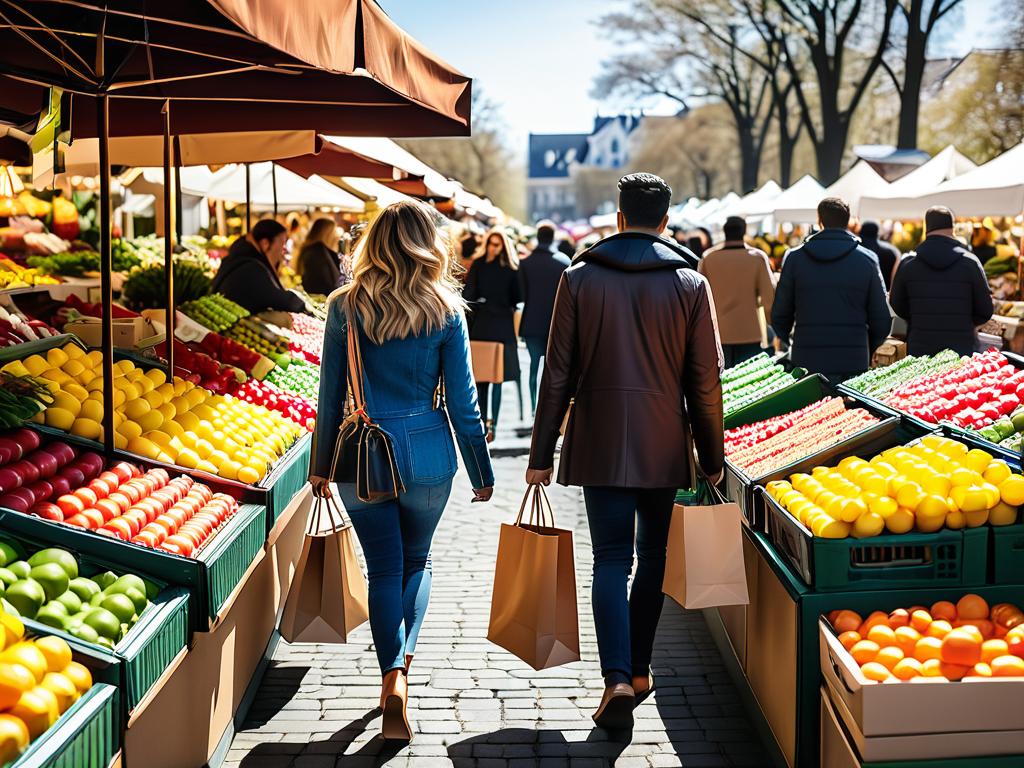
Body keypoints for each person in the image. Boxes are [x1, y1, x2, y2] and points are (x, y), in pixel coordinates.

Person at [527, 173, 724, 731]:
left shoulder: (580, 277)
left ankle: (614, 675)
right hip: (664, 441)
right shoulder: (690, 282)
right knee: (653, 559)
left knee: (611, 559)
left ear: (618, 218)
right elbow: (706, 383)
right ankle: (639, 670)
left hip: (600, 437)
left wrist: (540, 452)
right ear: (665, 221)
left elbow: (557, 373)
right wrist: (711, 456)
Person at [308, 200, 494, 742]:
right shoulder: (446, 309)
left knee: (383, 570)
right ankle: (403, 671)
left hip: (362, 453)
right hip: (429, 454)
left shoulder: (345, 306)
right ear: (427, 245)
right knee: (418, 561)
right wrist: (481, 470)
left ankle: (390, 676)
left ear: (372, 246)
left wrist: (320, 465)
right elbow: (464, 402)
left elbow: (328, 396)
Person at [771, 197, 891, 384]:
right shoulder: (867, 260)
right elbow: (882, 319)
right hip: (853, 360)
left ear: (820, 220)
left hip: (807, 359)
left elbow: (779, 314)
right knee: (851, 413)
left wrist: (794, 342)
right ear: (848, 221)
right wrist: (866, 346)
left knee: (808, 413)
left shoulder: (795, 258)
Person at [889, 206, 992, 356]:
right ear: (952, 228)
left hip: (920, 349)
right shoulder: (970, 263)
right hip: (959, 350)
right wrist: (963, 322)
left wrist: (918, 317)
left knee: (921, 381)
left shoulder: (908, 264)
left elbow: (896, 303)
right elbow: (985, 310)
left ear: (927, 228)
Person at [463, 228, 522, 442]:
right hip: (486, 326)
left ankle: (493, 425)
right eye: (491, 243)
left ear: (503, 246)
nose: (493, 248)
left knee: (497, 377)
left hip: (499, 325)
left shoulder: (511, 268)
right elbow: (468, 293)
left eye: (497, 244)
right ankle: (482, 421)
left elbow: (518, 295)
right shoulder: (479, 265)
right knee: (482, 379)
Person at [698, 215, 775, 367]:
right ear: (744, 231)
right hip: (750, 331)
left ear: (725, 232)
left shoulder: (709, 258)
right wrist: (773, 326)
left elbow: (699, 298)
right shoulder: (757, 257)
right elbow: (769, 299)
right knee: (749, 384)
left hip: (718, 333)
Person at [518, 220, 571, 415]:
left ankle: (534, 408)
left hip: (532, 322)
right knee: (554, 369)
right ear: (553, 237)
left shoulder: (525, 263)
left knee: (533, 367)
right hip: (556, 324)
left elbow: (521, 295)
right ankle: (550, 409)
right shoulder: (564, 263)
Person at [211, 219, 306, 313]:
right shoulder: (251, 268)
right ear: (265, 243)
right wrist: (301, 304)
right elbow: (281, 300)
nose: (284, 250)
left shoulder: (239, 257)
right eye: (282, 244)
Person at [295, 217, 344, 295]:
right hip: (322, 298)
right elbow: (327, 282)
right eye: (333, 232)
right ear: (327, 234)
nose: (336, 236)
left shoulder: (310, 249)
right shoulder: (318, 252)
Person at [859, 221, 900, 290]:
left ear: (860, 234)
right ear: (877, 234)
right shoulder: (891, 253)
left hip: (860, 292)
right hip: (884, 292)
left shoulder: (856, 251)